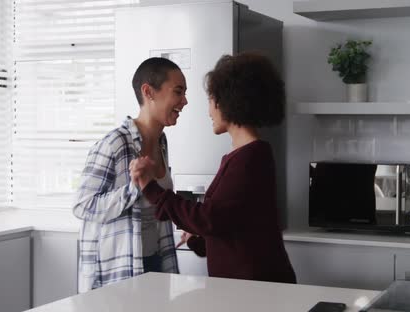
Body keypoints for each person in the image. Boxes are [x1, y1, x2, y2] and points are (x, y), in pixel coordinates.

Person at [130, 52, 296, 284]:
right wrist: (196, 241)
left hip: (257, 290)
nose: (208, 111)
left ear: (227, 101)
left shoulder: (250, 158)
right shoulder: (248, 155)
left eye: (210, 101)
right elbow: (232, 226)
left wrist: (150, 187)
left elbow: (209, 219)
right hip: (250, 286)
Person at [73, 57, 187, 292]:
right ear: (148, 92)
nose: (184, 101)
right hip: (118, 273)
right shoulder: (115, 143)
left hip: (156, 261)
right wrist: (134, 188)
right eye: (178, 92)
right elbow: (83, 205)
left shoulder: (161, 142)